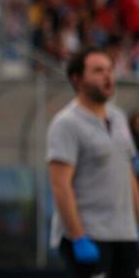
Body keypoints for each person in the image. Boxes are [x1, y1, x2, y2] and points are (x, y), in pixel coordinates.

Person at [47, 48, 139, 277]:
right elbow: (60, 185)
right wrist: (78, 236)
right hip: (90, 234)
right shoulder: (66, 123)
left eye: (109, 70)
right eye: (98, 71)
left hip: (124, 233)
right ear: (77, 80)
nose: (108, 76)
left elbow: (127, 175)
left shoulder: (118, 118)